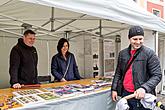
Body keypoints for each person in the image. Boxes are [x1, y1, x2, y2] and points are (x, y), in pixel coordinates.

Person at [111, 26, 162, 110]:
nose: (138, 42)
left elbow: (157, 75)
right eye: (135, 39)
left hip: (141, 95)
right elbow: (118, 73)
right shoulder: (122, 53)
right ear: (129, 39)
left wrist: (144, 88)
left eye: (140, 39)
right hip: (126, 94)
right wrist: (114, 89)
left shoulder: (149, 53)